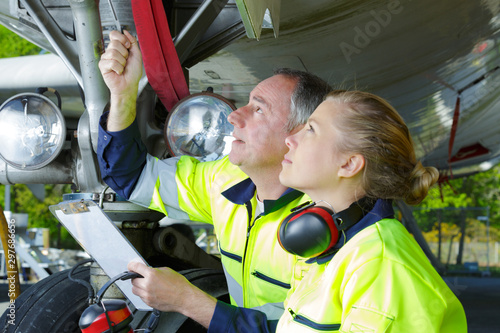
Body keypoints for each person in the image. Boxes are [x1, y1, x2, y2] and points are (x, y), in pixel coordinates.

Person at [97, 30, 332, 325]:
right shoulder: (225, 179)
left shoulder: (328, 224)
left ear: (299, 135)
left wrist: (186, 300)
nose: (234, 116)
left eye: (258, 109)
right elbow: (131, 177)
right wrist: (123, 95)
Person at [204, 90, 467, 332]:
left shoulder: (380, 266)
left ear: (349, 164)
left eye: (310, 130)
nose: (290, 139)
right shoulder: (336, 249)